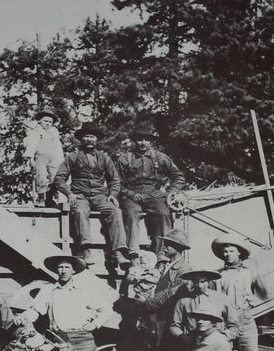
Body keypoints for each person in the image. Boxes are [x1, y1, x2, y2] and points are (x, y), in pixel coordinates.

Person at [51, 122, 126, 271]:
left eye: (93, 136)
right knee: (79, 211)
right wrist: (69, 193)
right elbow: (59, 178)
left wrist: (113, 194)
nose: (90, 139)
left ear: (97, 139)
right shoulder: (72, 156)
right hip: (80, 194)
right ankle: (86, 251)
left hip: (99, 195)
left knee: (115, 211)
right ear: (81, 139)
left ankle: (119, 252)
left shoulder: (104, 158)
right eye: (87, 136)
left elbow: (114, 179)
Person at [211, 237, 272, 351]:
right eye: (225, 251)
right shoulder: (218, 275)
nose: (227, 254)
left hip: (246, 322)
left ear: (239, 252)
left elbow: (265, 293)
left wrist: (253, 300)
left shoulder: (250, 272)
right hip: (225, 323)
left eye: (231, 250)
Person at [115, 228, 192, 351]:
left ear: (179, 248)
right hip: (156, 319)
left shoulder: (184, 269)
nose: (165, 247)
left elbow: (172, 292)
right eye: (165, 244)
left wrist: (147, 302)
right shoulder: (164, 266)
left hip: (168, 319)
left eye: (169, 245)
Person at [116, 123, 186, 255]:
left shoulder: (160, 157)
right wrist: (129, 193)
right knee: (131, 214)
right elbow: (116, 183)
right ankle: (132, 252)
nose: (143, 143)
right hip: (132, 195)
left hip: (154, 194)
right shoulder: (124, 159)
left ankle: (162, 253)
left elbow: (178, 176)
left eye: (146, 139)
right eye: (139, 139)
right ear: (133, 141)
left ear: (151, 141)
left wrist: (168, 193)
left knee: (163, 213)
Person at [26, 106, 65, 205]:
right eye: (45, 121)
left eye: (50, 122)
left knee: (55, 177)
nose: (47, 124)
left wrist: (61, 160)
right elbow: (31, 145)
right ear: (39, 121)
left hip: (53, 157)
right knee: (42, 177)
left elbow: (58, 147)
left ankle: (49, 197)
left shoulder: (54, 133)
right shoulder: (36, 132)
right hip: (41, 157)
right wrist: (31, 159)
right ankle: (41, 198)